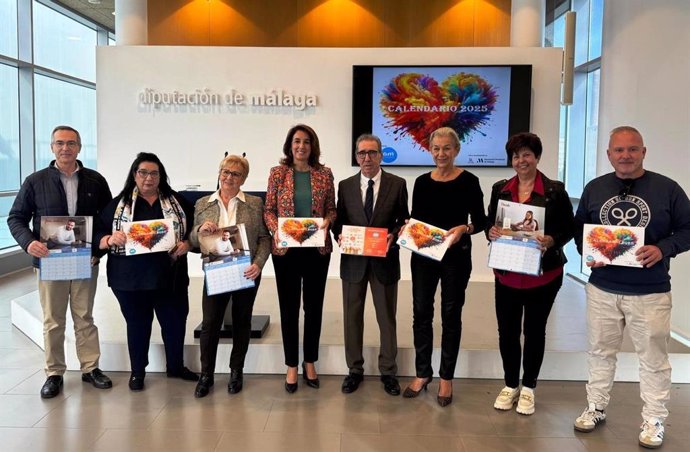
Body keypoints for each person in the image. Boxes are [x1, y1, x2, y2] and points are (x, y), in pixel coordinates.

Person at [572, 126, 690, 448]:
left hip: (650, 291)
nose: (626, 156)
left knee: (653, 359)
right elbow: (580, 230)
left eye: (632, 149)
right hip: (602, 288)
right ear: (609, 154)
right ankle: (595, 406)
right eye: (619, 150)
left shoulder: (668, 189)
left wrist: (663, 249)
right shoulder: (595, 188)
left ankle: (654, 419)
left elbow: (688, 229)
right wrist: (589, 256)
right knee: (600, 351)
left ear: (643, 152)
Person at [7, 125, 113, 398]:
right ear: (52, 147)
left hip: (84, 261)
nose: (65, 148)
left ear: (80, 147)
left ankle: (91, 368)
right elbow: (16, 218)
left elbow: (106, 221)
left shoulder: (95, 181)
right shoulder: (35, 181)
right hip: (50, 263)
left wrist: (97, 251)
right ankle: (54, 372)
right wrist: (29, 243)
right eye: (59, 143)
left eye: (71, 143)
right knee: (53, 320)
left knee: (84, 318)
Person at [486, 132, 574, 415]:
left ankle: (529, 388)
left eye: (526, 154)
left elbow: (568, 229)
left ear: (537, 157)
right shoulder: (500, 188)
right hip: (508, 272)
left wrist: (551, 240)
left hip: (544, 276)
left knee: (534, 331)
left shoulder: (555, 191)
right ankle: (510, 384)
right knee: (507, 332)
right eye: (515, 155)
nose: (521, 160)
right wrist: (492, 231)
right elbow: (491, 224)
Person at [95, 152, 198, 391]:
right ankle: (138, 372)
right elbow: (98, 233)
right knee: (138, 325)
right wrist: (111, 238)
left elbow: (194, 232)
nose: (148, 178)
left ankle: (176, 366)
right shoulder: (118, 204)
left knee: (174, 324)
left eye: (154, 173)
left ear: (161, 176)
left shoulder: (177, 203)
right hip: (130, 281)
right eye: (143, 172)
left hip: (169, 278)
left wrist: (187, 244)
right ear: (134, 175)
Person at [402, 127, 487, 407]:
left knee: (451, 315)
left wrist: (466, 227)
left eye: (447, 148)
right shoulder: (422, 182)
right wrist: (408, 228)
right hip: (424, 257)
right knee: (421, 313)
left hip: (456, 257)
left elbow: (481, 221)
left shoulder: (470, 181)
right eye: (436, 148)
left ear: (456, 150)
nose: (441, 153)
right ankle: (422, 373)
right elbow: (416, 219)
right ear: (430, 149)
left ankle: (447, 376)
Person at [331, 134, 409, 396]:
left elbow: (404, 220)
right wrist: (339, 234)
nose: (367, 158)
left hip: (385, 262)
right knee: (352, 317)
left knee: (386, 318)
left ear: (381, 155)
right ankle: (354, 369)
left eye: (372, 153)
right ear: (356, 157)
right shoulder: (345, 186)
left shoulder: (397, 184)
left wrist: (394, 235)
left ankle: (388, 371)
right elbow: (338, 220)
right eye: (362, 153)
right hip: (353, 262)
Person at [264, 124, 337, 393]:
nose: (301, 146)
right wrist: (278, 230)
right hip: (286, 250)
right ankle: (292, 365)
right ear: (289, 145)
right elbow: (268, 210)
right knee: (289, 308)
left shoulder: (324, 174)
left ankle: (310, 362)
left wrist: (329, 220)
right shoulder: (278, 173)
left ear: (313, 146)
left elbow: (332, 208)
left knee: (314, 308)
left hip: (316, 249)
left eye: (306, 141)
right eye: (296, 141)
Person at [190, 155, 271, 397]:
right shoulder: (204, 203)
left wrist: (258, 264)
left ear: (243, 179)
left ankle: (237, 371)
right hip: (216, 272)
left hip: (246, 272)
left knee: (242, 321)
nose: (229, 177)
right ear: (219, 173)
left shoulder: (255, 204)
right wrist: (199, 231)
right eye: (225, 172)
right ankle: (207, 375)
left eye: (235, 174)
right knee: (210, 323)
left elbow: (264, 239)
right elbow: (193, 241)